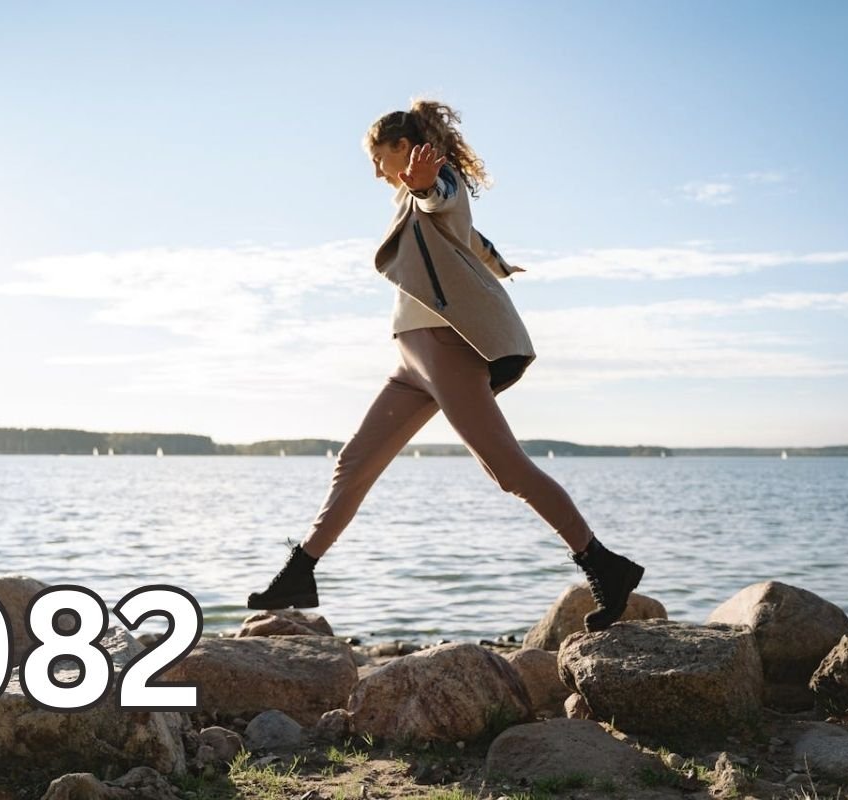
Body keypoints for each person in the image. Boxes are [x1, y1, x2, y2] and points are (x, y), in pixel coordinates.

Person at [246, 99, 644, 632]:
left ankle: (603, 564)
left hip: (446, 348)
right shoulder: (407, 202)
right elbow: (466, 240)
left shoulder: (436, 183)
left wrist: (423, 185)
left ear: (404, 150)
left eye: (377, 156)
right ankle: (301, 572)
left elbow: (440, 199)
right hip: (412, 358)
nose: (374, 168)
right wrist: (493, 258)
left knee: (507, 469)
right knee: (354, 463)